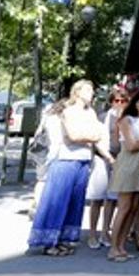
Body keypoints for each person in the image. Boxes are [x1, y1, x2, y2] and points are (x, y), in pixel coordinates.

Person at [28, 81, 106, 256]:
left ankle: (64, 238)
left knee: (75, 202)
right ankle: (49, 241)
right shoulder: (68, 111)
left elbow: (98, 134)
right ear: (77, 92)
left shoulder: (91, 112)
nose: (91, 93)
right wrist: (89, 136)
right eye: (88, 90)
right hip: (66, 159)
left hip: (84, 159)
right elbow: (72, 136)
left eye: (92, 90)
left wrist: (88, 136)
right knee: (57, 200)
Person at [108, 89, 139, 262]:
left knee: (135, 207)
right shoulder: (126, 120)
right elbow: (130, 145)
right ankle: (113, 247)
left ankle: (121, 244)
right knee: (124, 206)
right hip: (129, 163)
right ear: (134, 102)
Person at [85, 87, 125, 249]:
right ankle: (92, 234)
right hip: (102, 159)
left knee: (112, 199)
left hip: (119, 160)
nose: (120, 104)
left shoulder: (127, 118)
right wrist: (107, 157)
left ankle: (105, 232)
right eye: (117, 100)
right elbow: (96, 140)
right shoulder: (102, 117)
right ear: (111, 102)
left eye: (124, 101)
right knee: (97, 198)